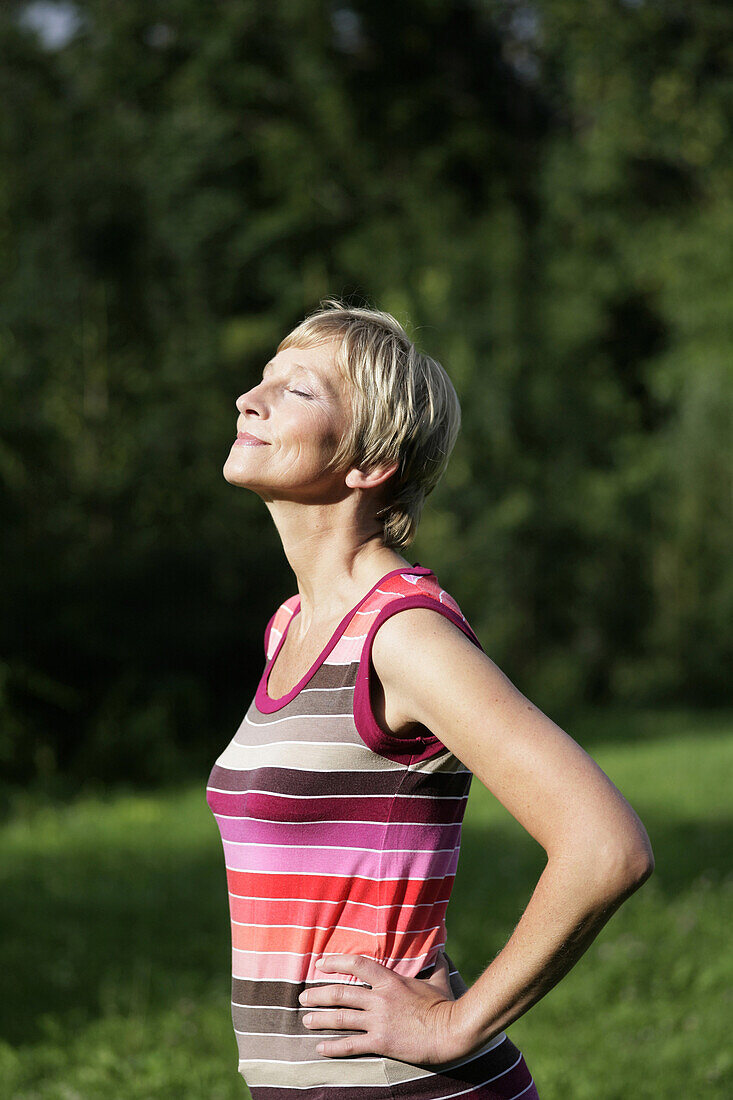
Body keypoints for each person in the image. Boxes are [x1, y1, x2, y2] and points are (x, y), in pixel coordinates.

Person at [206, 299, 654, 1099]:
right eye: (262, 379)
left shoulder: (399, 638)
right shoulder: (293, 627)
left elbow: (604, 847)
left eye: (299, 390)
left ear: (369, 462)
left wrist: (454, 1024)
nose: (251, 397)